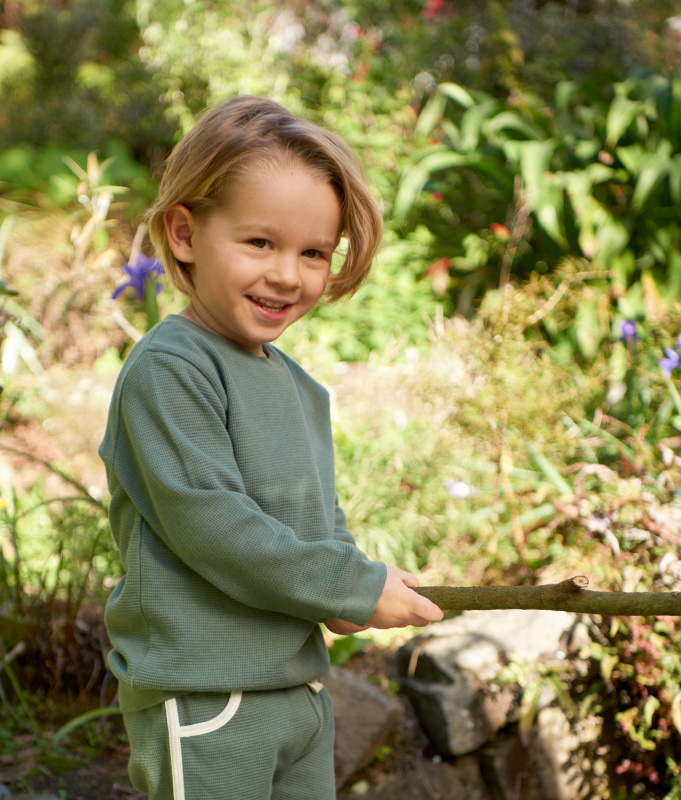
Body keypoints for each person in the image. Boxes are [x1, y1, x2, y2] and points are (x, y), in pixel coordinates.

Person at [99, 95, 443, 800]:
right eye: (260, 243)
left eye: (313, 253)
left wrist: (352, 587)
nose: (288, 274)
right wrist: (344, 584)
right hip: (209, 692)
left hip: (298, 690)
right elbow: (213, 525)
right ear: (186, 233)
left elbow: (313, 520)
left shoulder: (299, 388)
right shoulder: (172, 368)